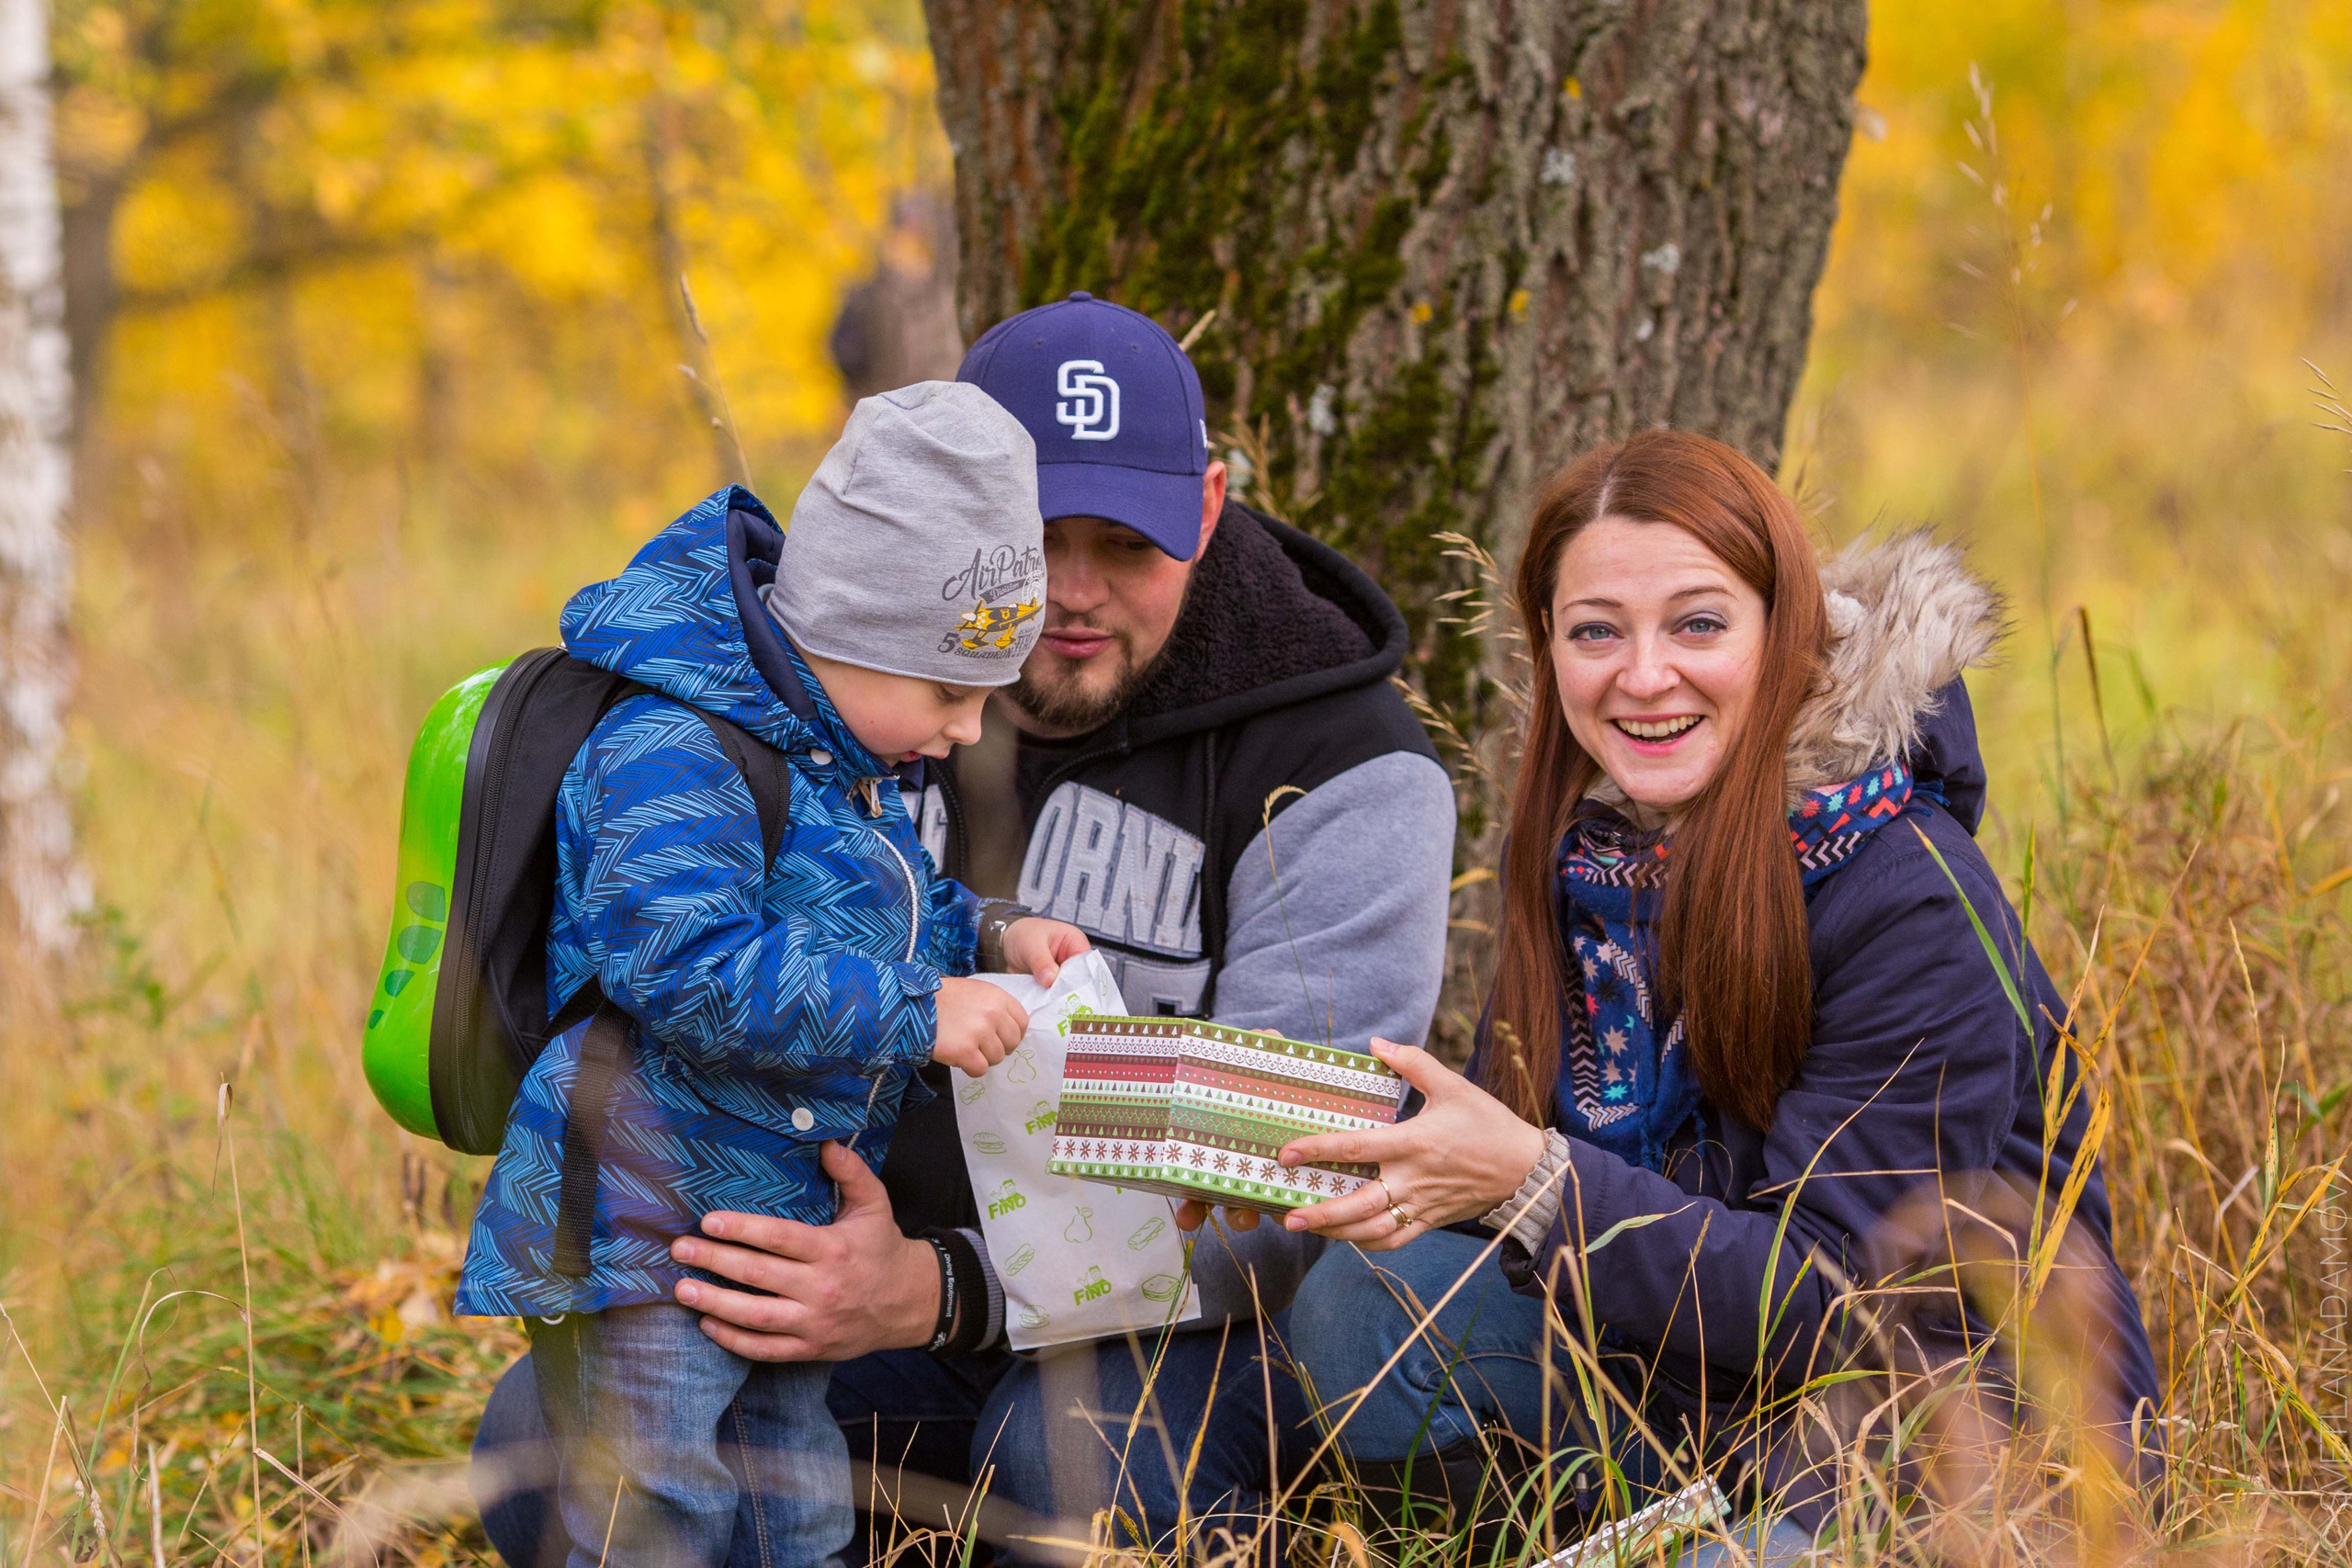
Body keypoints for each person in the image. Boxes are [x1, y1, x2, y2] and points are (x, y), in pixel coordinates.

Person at [472, 296, 1459, 1563]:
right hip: (801, 1247)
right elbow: (689, 948)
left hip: (1152, 1341)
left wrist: (938, 1287)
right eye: (1039, 541)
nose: (1075, 593)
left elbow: (1295, 1181)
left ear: (1209, 510)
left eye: (1130, 544)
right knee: (552, 1450)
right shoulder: (817, 713)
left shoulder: (1342, 766)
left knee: (1072, 1467)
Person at [1261, 431, 2163, 1559]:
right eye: (1597, 631)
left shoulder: (1906, 896)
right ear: (1548, 647)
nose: (1644, 677)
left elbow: (1842, 1302)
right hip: (1688, 1391)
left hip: (1930, 1436)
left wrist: (1536, 1183)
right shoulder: (1593, 855)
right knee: (1365, 1311)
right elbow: (1506, 1154)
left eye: (1697, 624)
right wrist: (1290, 1155)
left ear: (1783, 633)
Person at [452, 380, 1091, 1568]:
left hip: (762, 1213)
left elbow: (873, 911)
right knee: (660, 1510)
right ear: (850, 634)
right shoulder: (673, 742)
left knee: (794, 1513)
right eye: (950, 692)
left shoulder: (829, 752)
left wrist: (992, 933)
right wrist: (917, 1010)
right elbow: (680, 962)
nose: (965, 730)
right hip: (645, 1220)